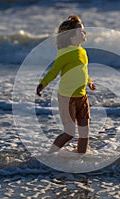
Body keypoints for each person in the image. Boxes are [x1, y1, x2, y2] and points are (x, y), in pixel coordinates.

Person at [36, 15, 96, 154]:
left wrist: (89, 82)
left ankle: (81, 158)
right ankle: (49, 154)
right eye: (81, 31)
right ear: (71, 36)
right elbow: (53, 71)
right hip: (67, 98)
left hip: (82, 97)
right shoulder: (64, 53)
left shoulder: (83, 51)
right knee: (69, 133)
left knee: (85, 132)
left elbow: (83, 69)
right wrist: (42, 84)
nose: (84, 33)